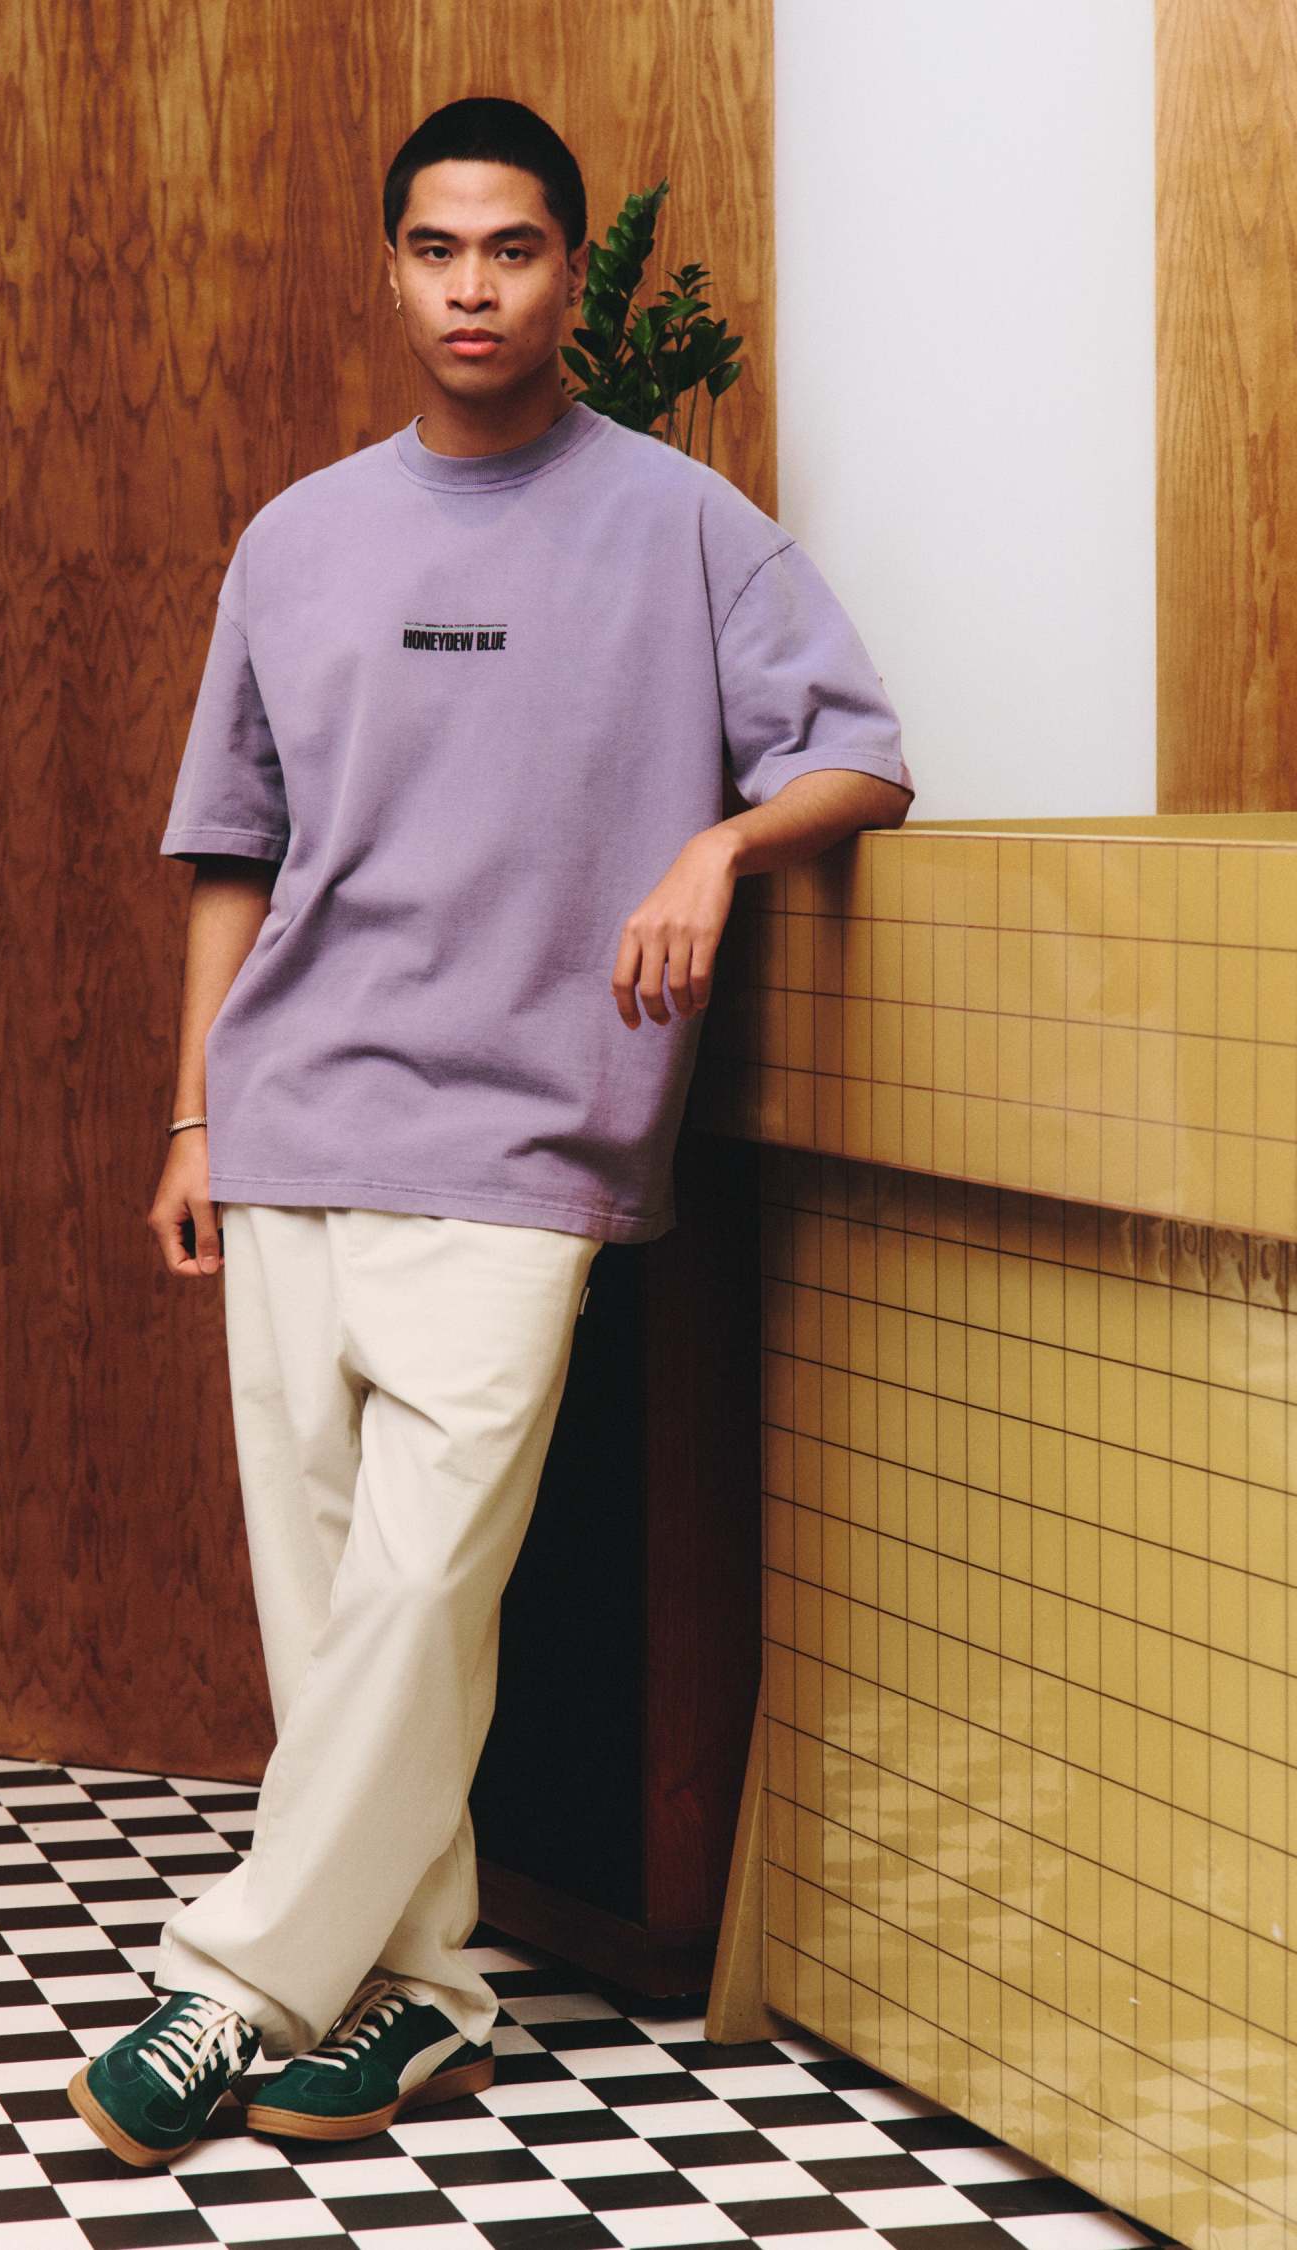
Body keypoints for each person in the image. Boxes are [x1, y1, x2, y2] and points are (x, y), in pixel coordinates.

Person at [68, 95, 914, 2171]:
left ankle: (233, 1983)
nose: (477, 287)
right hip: (291, 1120)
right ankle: (430, 1997)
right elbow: (233, 852)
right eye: (439, 250)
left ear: (562, 274)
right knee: (343, 1614)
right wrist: (193, 1112)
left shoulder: (687, 526)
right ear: (391, 271)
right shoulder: (295, 543)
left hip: (533, 1139)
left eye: (515, 249)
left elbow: (864, 759)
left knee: (424, 1579)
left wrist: (720, 844)